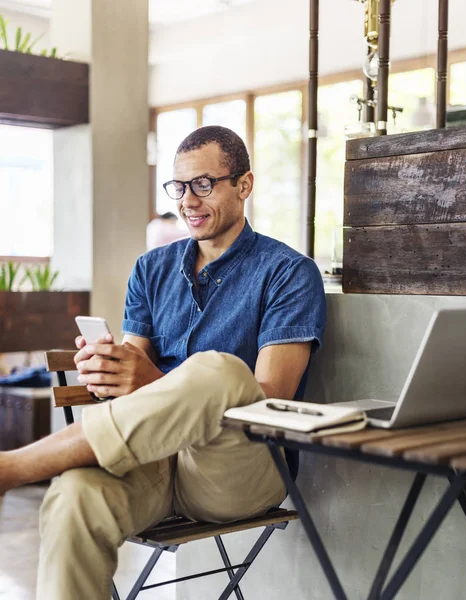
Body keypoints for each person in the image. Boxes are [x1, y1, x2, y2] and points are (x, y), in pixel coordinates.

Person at [0, 126, 326, 600]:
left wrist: (152, 380)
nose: (188, 200)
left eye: (204, 184)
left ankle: (12, 468)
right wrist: (108, 369)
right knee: (74, 496)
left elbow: (269, 399)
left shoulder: (289, 272)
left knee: (220, 370)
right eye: (179, 187)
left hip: (237, 467)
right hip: (154, 460)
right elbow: (136, 371)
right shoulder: (151, 269)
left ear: (244, 185)